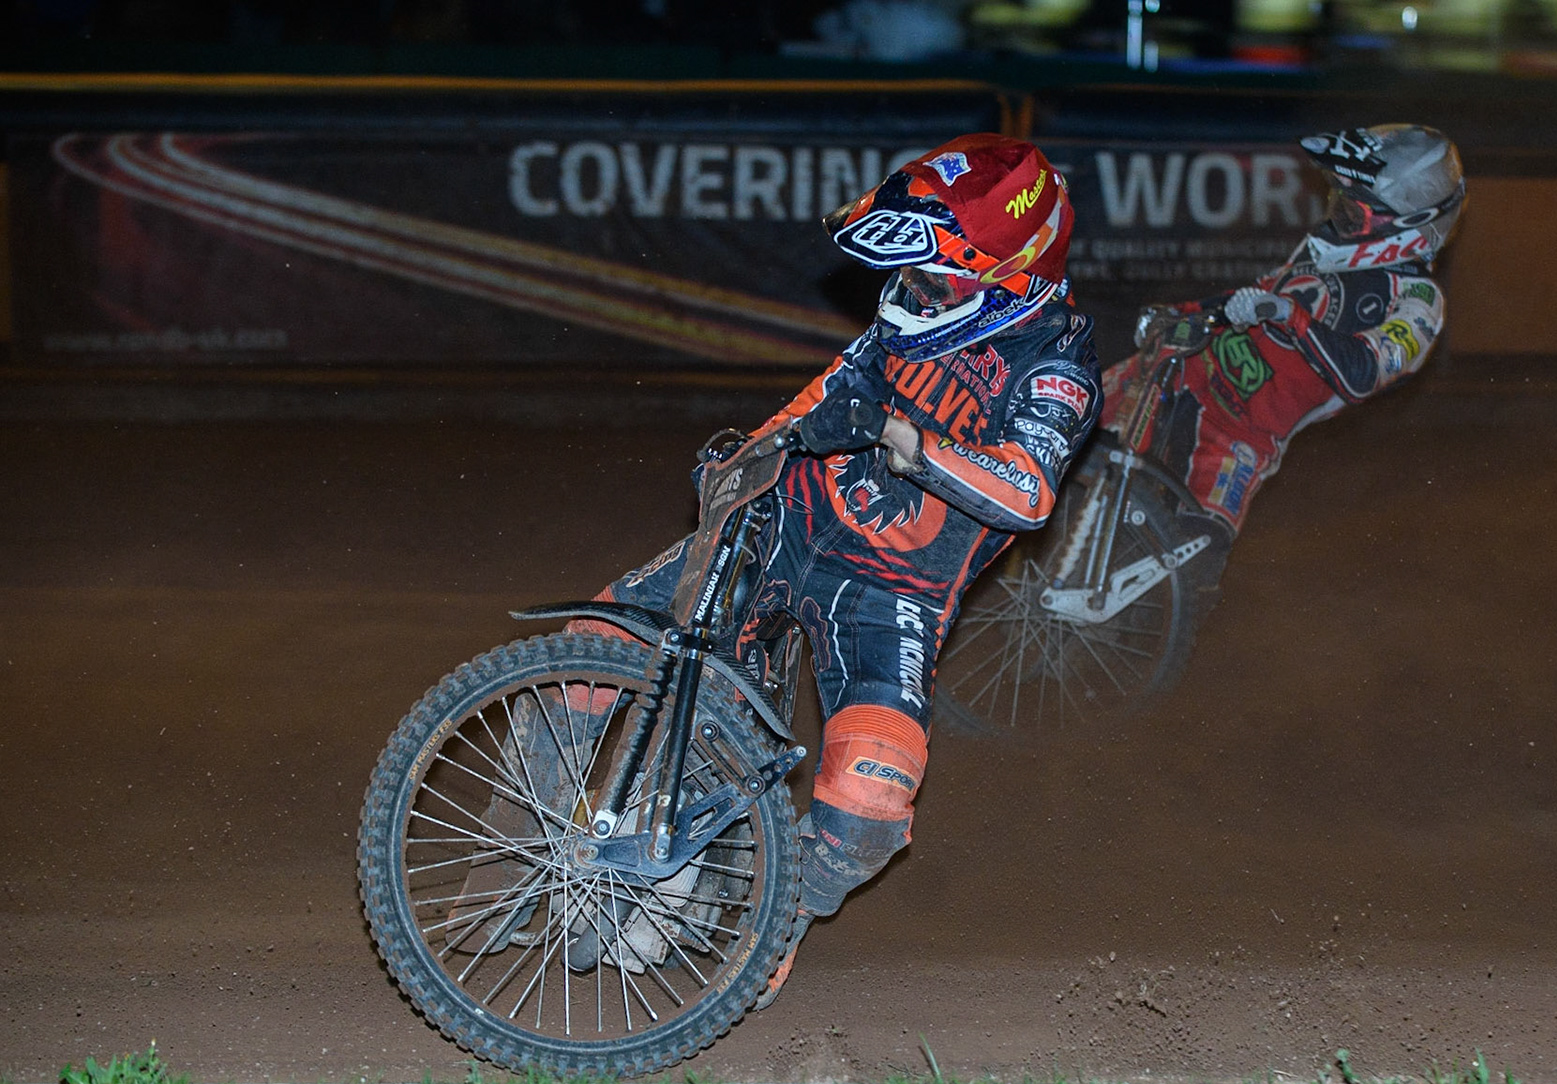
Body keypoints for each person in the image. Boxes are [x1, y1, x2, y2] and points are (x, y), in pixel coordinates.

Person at [568, 133, 1103, 1004]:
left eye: (935, 279)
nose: (914, 292)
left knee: (869, 805)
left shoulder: (1058, 360)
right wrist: (741, 460)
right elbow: (819, 398)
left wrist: (902, 437)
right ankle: (541, 842)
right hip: (783, 527)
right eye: (910, 274)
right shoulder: (901, 322)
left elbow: (1028, 490)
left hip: (893, 593)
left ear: (1012, 275)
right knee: (587, 648)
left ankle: (776, 908)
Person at [1100, 123, 1465, 610]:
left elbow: (1362, 373)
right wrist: (1187, 311)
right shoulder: (1328, 251)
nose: (1338, 216)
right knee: (1061, 426)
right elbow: (1255, 296)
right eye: (1338, 200)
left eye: (1353, 210)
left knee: (1190, 575)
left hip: (1238, 436)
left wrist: (1291, 318)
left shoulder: (1418, 301)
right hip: (1187, 366)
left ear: (1411, 223)